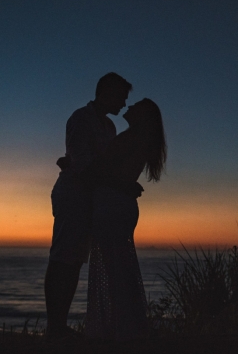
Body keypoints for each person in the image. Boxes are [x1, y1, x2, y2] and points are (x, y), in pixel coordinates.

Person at [45, 72, 134, 342]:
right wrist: (121, 185)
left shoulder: (109, 127)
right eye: (121, 96)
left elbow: (99, 163)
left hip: (90, 199)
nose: (124, 103)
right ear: (106, 91)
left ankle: (58, 327)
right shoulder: (80, 118)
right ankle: (55, 327)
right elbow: (83, 165)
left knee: (74, 260)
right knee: (63, 258)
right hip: (73, 194)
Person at [84, 98, 167, 341]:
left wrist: (73, 164)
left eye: (136, 105)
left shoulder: (131, 138)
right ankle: (126, 328)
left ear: (143, 115)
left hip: (113, 206)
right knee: (120, 269)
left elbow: (102, 173)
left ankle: (123, 331)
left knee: (116, 271)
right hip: (118, 205)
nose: (129, 106)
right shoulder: (137, 139)